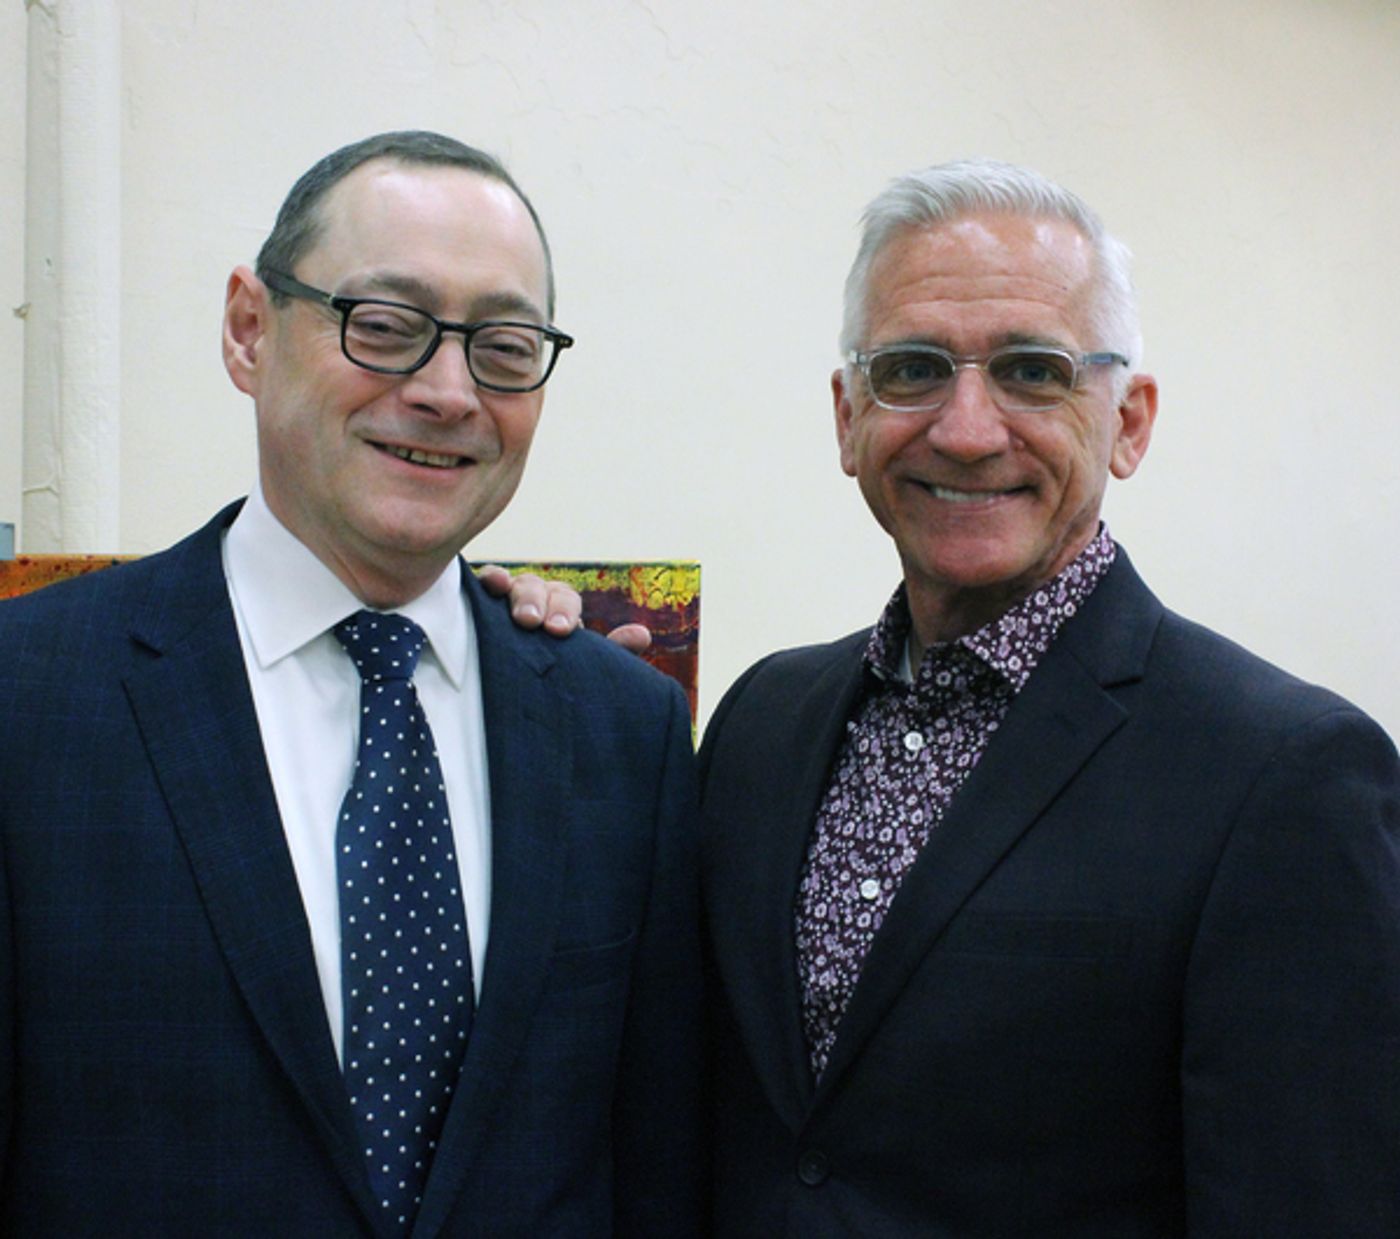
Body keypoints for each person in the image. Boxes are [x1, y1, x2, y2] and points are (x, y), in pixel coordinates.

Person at [0, 131, 702, 1237]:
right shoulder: (29, 697)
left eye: (504, 348)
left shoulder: (626, 730)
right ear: (248, 330)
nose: (444, 391)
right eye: (382, 326)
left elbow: (658, 1169)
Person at [696, 159, 1400, 1235]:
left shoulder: (1284, 777)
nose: (967, 430)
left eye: (1031, 371)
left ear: (1127, 421)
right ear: (847, 417)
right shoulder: (758, 722)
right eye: (912, 369)